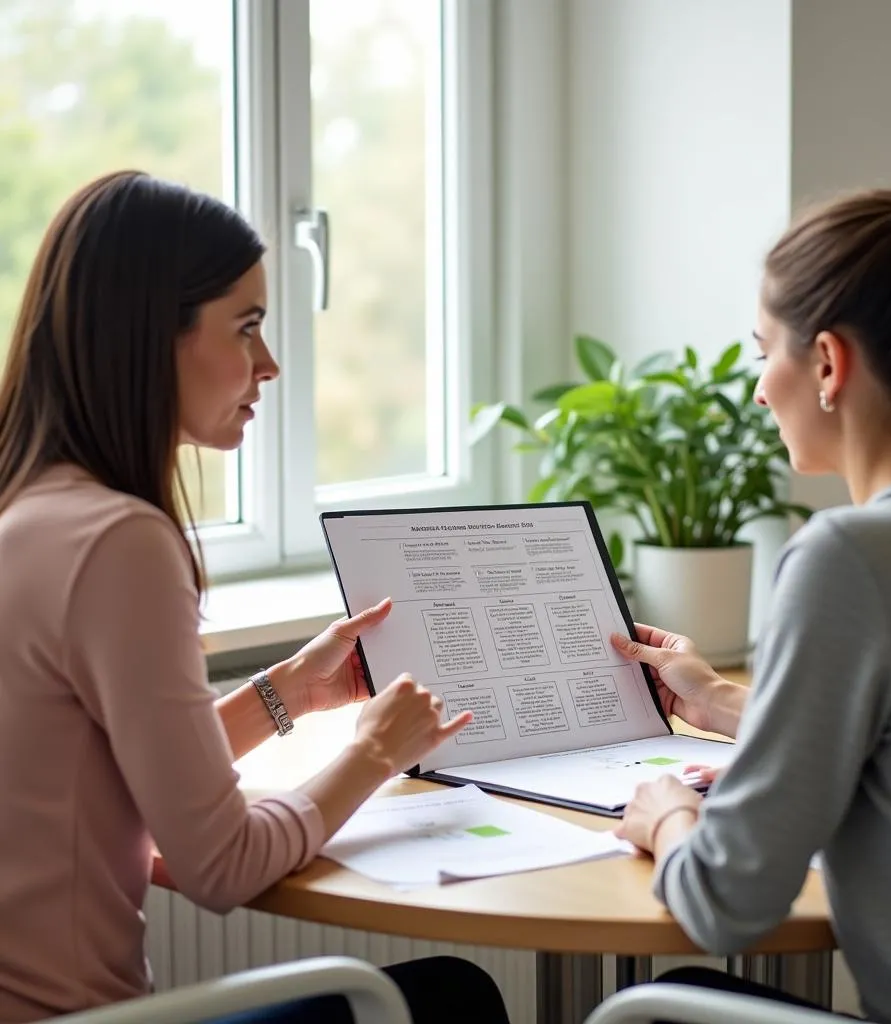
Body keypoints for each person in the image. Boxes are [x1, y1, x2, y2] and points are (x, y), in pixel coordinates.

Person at [0, 171, 510, 1024]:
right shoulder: (120, 544)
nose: (268, 364)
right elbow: (222, 865)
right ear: (149, 338)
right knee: (456, 999)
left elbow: (112, 770)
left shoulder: (29, 509)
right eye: (246, 328)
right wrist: (374, 752)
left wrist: (291, 692)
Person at [612, 161, 891, 1024]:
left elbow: (727, 900)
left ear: (829, 363)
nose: (760, 387)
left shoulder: (857, 555)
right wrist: (723, 701)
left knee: (645, 1011)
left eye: (766, 353)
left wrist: (666, 816)